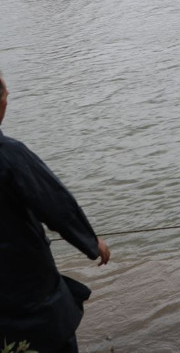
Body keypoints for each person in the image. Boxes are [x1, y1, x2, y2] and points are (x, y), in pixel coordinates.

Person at [0, 74, 112, 353]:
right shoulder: (9, 154)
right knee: (49, 332)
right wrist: (91, 242)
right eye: (5, 97)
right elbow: (55, 203)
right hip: (22, 279)